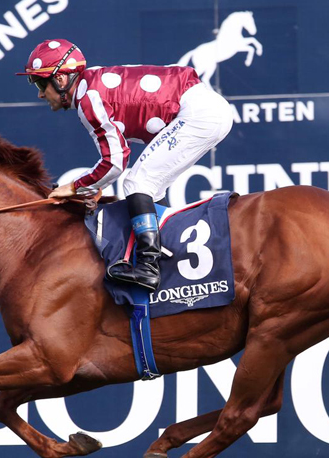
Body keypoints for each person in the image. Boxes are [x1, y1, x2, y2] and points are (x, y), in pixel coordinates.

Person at [19, 39, 234, 291]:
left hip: (199, 112)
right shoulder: (90, 88)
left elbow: (115, 162)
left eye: (42, 83)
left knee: (137, 182)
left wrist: (75, 187)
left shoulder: (89, 100)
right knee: (148, 187)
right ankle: (162, 255)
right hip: (204, 108)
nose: (40, 93)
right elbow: (112, 163)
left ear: (62, 80)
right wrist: (91, 185)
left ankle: (149, 267)